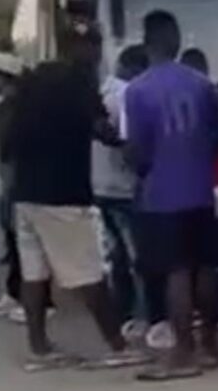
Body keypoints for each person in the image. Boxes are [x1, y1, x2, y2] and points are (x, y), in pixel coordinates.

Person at [9, 24, 148, 372]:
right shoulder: (78, 81)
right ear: (85, 48)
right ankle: (117, 346)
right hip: (62, 193)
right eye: (96, 48)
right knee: (87, 271)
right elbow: (100, 128)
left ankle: (39, 349)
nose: (99, 57)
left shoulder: (33, 78)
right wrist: (125, 143)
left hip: (25, 192)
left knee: (34, 275)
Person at [125, 10, 218, 381]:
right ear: (178, 40)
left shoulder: (137, 90)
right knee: (207, 267)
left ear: (147, 43)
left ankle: (183, 352)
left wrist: (140, 168)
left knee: (177, 272)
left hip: (162, 194)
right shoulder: (203, 85)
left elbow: (138, 149)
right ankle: (211, 345)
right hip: (201, 189)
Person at [0, 53, 57, 323]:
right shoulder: (3, 106)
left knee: (27, 245)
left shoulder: (19, 107)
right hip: (9, 180)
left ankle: (41, 300)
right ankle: (15, 292)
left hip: (20, 180)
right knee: (13, 242)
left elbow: (10, 146)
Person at [92, 45, 149, 340]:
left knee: (117, 256)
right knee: (138, 257)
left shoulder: (101, 94)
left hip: (101, 187)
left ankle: (122, 312)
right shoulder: (129, 95)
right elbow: (130, 147)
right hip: (126, 189)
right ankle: (142, 315)